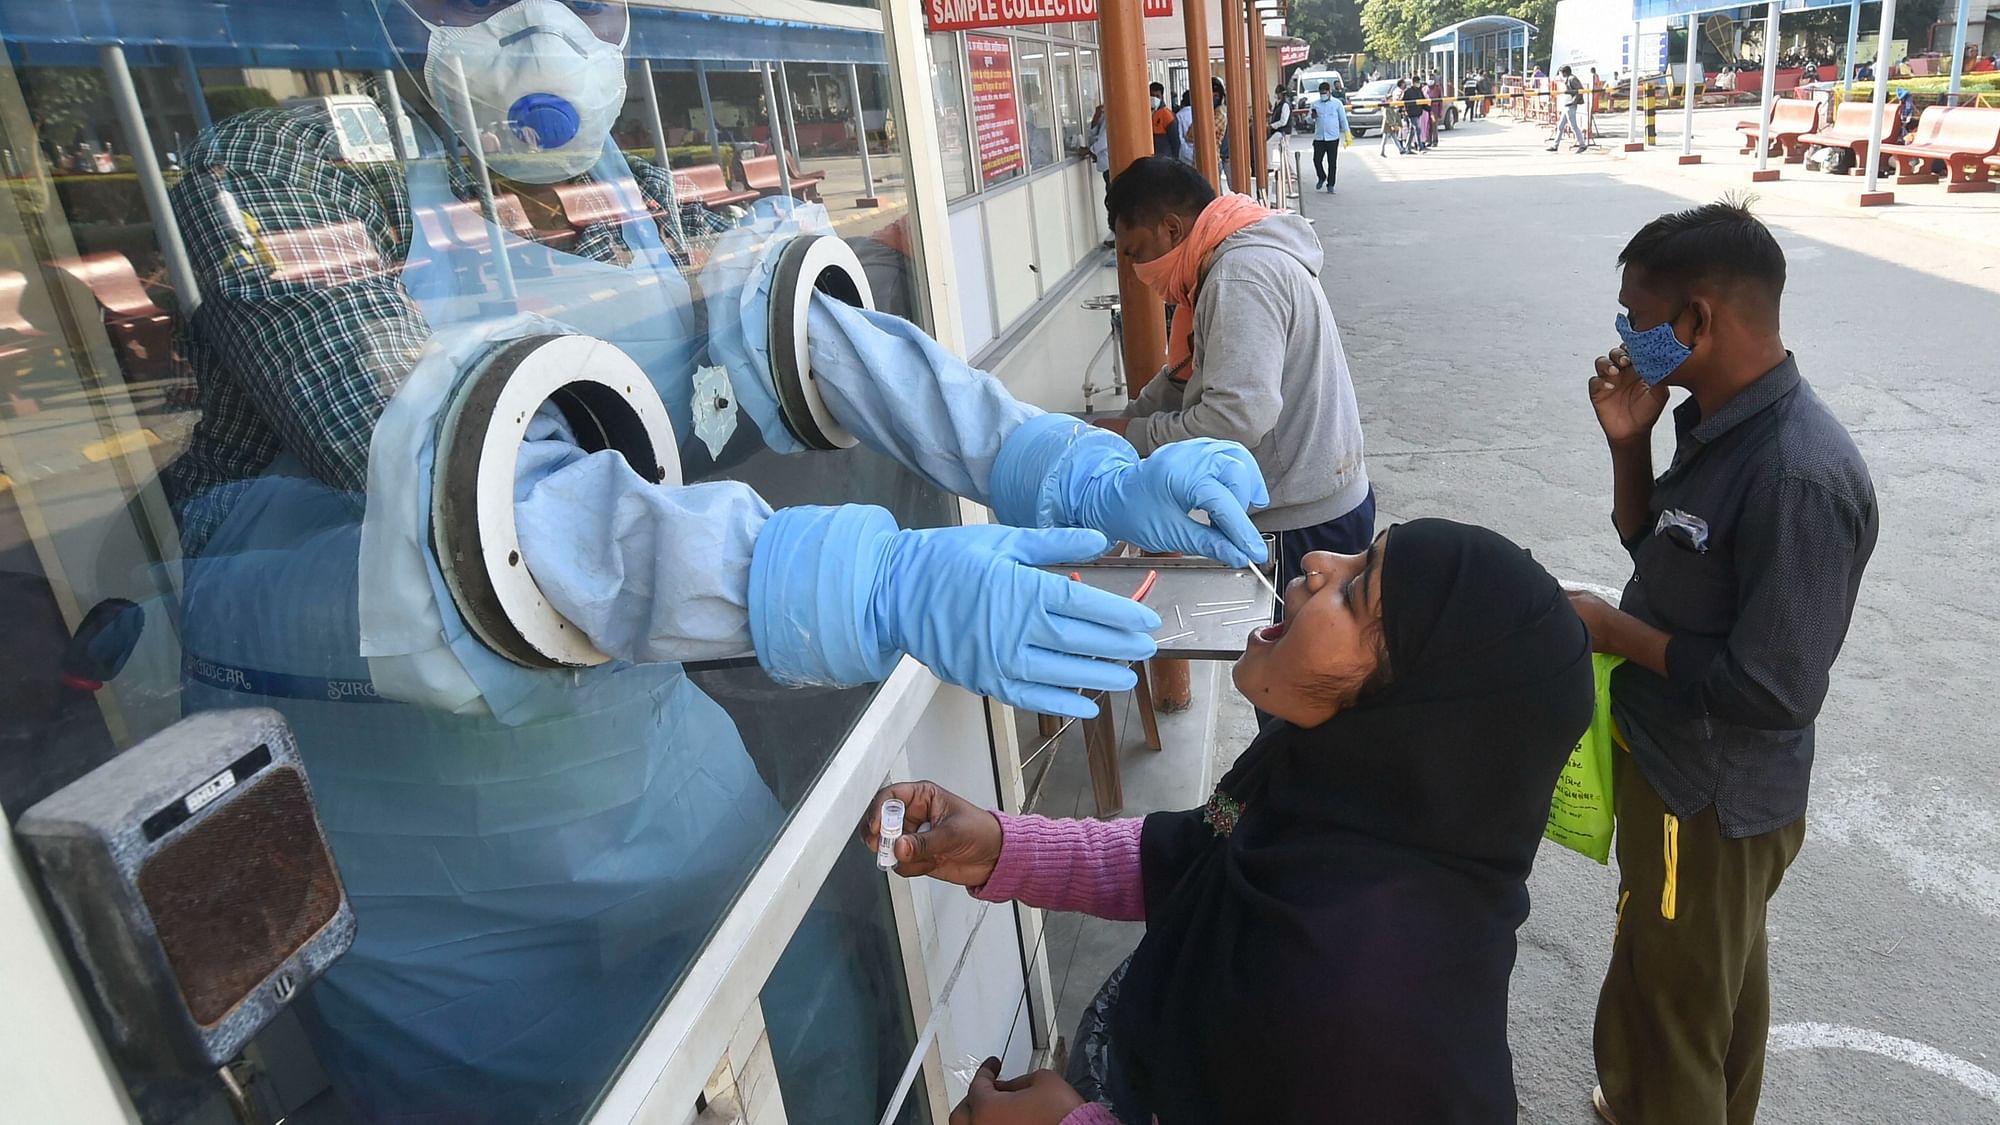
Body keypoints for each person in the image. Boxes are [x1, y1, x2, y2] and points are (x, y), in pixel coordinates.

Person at [162, 2, 1271, 1119]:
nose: (544, 22)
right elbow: (478, 496)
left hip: (636, 739)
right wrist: (865, 582)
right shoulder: (290, 173)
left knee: (805, 1034)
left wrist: (1063, 464)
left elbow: (822, 343)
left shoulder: (616, 184)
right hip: (413, 837)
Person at [865, 518, 1597, 1124]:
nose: (1315, 562)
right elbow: (1192, 850)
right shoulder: (1315, 776)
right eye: (1355, 556)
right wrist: (999, 845)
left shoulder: (1361, 1004)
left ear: (1418, 722)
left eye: (1355, 592)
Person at [1569, 201, 1878, 1125]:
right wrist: (1629, 442)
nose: (1625, 336)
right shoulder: (1712, 418)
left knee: (1669, 1010)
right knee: (1713, 985)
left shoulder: (1797, 473)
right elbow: (1659, 556)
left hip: (1709, 792)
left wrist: (1612, 632)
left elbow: (1771, 691)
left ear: (1699, 319)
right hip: (1675, 764)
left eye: (1638, 317)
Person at [1093, 157, 1373, 595]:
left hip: (1302, 523)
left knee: (1294, 661)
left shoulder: (1239, 276)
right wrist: (1117, 427)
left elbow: (1234, 420)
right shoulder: (1225, 263)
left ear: (1171, 228)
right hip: (1312, 504)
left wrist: (1134, 434)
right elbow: (1185, 378)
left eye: (1135, 252)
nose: (1135, 270)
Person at [1309, 80, 1349, 193]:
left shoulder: (1337, 103)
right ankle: (1321, 176)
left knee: (1332, 162)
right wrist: (1312, 117)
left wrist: (1347, 134)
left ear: (1329, 92)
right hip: (1319, 138)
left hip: (1332, 138)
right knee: (1316, 160)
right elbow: (1309, 119)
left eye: (1324, 93)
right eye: (1321, 93)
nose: (1323, 95)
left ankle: (1331, 184)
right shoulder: (1315, 104)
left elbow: (1343, 119)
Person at [1551, 64, 1588, 152]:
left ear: (1564, 72)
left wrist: (1573, 102)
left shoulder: (1572, 79)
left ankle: (1582, 145)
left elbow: (1580, 91)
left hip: (1570, 105)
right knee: (1560, 126)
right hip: (1567, 105)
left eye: (1561, 73)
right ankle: (1555, 146)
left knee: (1573, 126)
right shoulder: (1568, 79)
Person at [1148, 81, 1180, 158]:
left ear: (1162, 97)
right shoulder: (1143, 114)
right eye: (1152, 95)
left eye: (1157, 96)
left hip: (1164, 161)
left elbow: (1175, 142)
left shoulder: (1167, 115)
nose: (1154, 99)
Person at [1400, 76, 1430, 152]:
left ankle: (1407, 148)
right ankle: (1420, 147)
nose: (1418, 84)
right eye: (1417, 82)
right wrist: (1402, 111)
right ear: (1413, 83)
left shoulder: (1419, 91)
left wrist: (1429, 109)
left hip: (1418, 113)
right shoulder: (1407, 91)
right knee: (1417, 129)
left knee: (1412, 130)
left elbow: (1423, 102)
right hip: (1411, 113)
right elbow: (1402, 102)